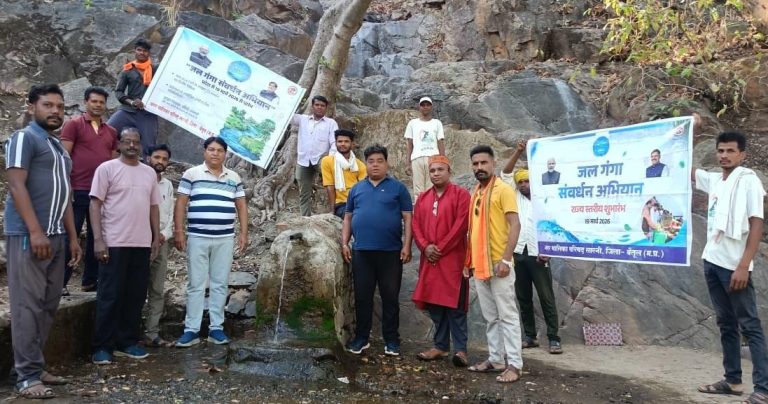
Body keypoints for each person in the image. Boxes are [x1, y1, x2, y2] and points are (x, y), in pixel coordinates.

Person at [4, 84, 82, 399]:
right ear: (32, 106)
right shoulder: (25, 138)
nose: (55, 111)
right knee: (27, 306)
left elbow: (64, 196)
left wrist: (74, 237)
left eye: (60, 107)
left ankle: (34, 365)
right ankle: (26, 377)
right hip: (28, 236)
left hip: (57, 237)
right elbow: (15, 185)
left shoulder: (56, 147)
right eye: (48, 105)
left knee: (48, 306)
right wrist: (35, 231)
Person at [694, 132, 768, 403]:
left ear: (742, 154)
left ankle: (763, 388)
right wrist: (688, 133)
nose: (724, 155)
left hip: (734, 266)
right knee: (726, 324)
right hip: (712, 261)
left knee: (750, 325)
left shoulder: (748, 181)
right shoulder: (716, 180)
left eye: (730, 151)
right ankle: (733, 381)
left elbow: (757, 222)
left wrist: (744, 265)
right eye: (721, 151)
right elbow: (687, 171)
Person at [90, 127, 160, 365]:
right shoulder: (107, 169)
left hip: (140, 243)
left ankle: (127, 342)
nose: (132, 145)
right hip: (114, 242)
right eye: (127, 141)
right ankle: (102, 346)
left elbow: (153, 207)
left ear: (140, 145)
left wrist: (155, 238)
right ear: (119, 144)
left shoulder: (149, 173)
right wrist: (98, 240)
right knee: (110, 295)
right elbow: (95, 204)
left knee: (135, 295)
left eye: (136, 142)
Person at [174, 137, 248, 347]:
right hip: (197, 236)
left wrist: (244, 233)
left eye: (219, 150)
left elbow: (241, 206)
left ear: (225, 154)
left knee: (219, 283)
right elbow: (181, 203)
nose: (215, 153)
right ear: (204, 152)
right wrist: (179, 231)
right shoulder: (192, 175)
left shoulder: (233, 177)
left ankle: (216, 328)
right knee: (196, 284)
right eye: (211, 149)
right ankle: (191, 330)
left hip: (224, 237)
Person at [342, 144, 413, 356]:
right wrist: (344, 243)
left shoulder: (398, 188)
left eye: (379, 161)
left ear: (386, 163)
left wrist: (407, 245)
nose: (375, 165)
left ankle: (392, 340)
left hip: (390, 252)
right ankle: (361, 338)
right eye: (371, 161)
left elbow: (408, 218)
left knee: (390, 297)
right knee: (363, 297)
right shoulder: (356, 189)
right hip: (362, 251)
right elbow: (348, 217)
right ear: (366, 164)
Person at [465, 145, 523, 383]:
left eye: (483, 163)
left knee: (507, 315)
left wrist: (507, 259)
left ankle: (515, 365)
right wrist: (468, 261)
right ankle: (496, 359)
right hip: (480, 266)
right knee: (491, 317)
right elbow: (472, 231)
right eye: (476, 164)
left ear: (493, 163)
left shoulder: (503, 189)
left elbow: (515, 225)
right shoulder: (476, 191)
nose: (479, 167)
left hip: (500, 264)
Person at [501, 140, 562, 354]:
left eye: (527, 181)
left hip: (539, 254)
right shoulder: (513, 195)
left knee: (546, 297)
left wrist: (550, 250)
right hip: (519, 253)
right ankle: (530, 336)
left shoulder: (544, 198)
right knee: (523, 296)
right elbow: (506, 173)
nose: (524, 184)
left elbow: (554, 225)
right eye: (521, 182)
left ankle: (554, 338)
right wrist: (518, 152)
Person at [411, 156, 471, 367]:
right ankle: (441, 346)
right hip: (430, 260)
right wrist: (425, 246)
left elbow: (461, 225)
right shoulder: (423, 198)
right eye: (432, 170)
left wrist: (441, 248)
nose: (436, 173)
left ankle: (461, 350)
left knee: (456, 307)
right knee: (435, 305)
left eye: (440, 169)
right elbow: (416, 225)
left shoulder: (461, 195)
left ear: (449, 171)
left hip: (453, 260)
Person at [60, 86, 118, 295]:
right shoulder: (73, 125)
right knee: (70, 236)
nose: (98, 105)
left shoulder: (111, 132)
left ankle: (90, 281)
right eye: (94, 101)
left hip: (101, 194)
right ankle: (61, 282)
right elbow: (64, 158)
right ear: (86, 102)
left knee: (98, 237)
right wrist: (67, 187)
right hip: (78, 189)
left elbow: (113, 164)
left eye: (101, 102)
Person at [143, 144, 175, 348]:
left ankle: (151, 333)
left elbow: (170, 214)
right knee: (135, 287)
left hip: (161, 242)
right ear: (148, 158)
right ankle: (128, 334)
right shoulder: (139, 179)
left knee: (156, 288)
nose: (160, 162)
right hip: (138, 241)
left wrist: (164, 234)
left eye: (164, 159)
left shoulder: (168, 185)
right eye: (157, 157)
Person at [108, 38, 159, 159]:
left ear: (149, 53)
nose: (142, 53)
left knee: (149, 147)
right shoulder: (127, 70)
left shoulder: (156, 70)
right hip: (127, 111)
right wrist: (131, 102)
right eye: (139, 50)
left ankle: (150, 175)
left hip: (148, 114)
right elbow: (119, 92)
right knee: (107, 130)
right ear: (134, 51)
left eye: (145, 51)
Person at [292, 95, 338, 216]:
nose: (319, 107)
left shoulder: (331, 123)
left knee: (333, 183)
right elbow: (287, 116)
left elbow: (334, 142)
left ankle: (335, 212)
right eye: (317, 105)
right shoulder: (303, 119)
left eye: (322, 105)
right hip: (303, 161)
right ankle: (305, 219)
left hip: (321, 159)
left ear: (326, 108)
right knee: (304, 192)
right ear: (312, 106)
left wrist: (330, 159)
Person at [404, 96, 445, 200]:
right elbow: (409, 143)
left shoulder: (437, 123)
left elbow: (440, 141)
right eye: (423, 105)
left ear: (431, 107)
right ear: (419, 107)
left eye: (428, 105)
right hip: (417, 157)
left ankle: (432, 213)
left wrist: (443, 161)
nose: (425, 107)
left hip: (433, 158)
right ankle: (419, 212)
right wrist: (407, 162)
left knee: (432, 187)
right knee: (418, 189)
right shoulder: (412, 123)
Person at [320, 129, 367, 218]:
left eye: (346, 141)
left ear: (352, 144)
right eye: (340, 141)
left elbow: (364, 188)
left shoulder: (359, 165)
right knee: (355, 216)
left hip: (358, 202)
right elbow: (330, 187)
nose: (342, 144)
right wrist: (332, 211)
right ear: (336, 143)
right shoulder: (328, 161)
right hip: (341, 204)